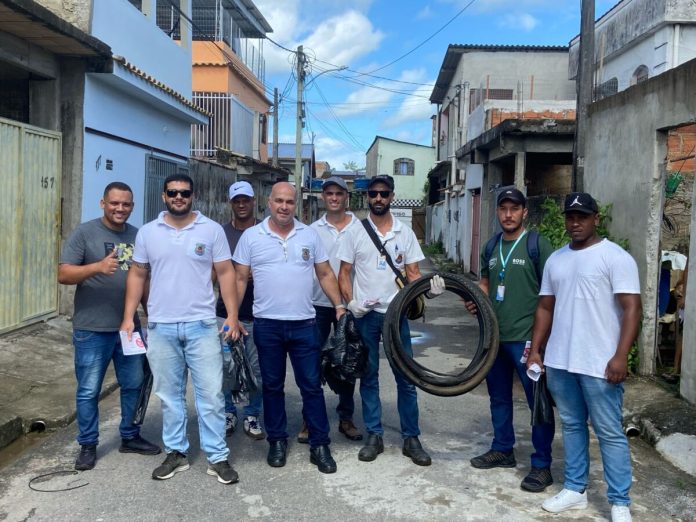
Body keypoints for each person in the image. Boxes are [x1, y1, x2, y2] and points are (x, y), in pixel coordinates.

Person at [527, 192, 641, 522]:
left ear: (595, 219)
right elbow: (545, 307)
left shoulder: (615, 257)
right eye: (570, 217)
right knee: (572, 426)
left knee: (609, 432)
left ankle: (620, 501)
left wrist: (621, 356)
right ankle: (576, 489)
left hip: (600, 363)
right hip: (561, 361)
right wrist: (536, 350)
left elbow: (632, 308)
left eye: (582, 216)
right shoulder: (556, 260)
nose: (575, 222)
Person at [121, 174, 241, 485]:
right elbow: (137, 274)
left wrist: (232, 314)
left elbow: (225, 272)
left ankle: (217, 457)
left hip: (201, 324)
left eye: (184, 193)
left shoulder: (211, 230)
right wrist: (128, 315)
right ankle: (176, 453)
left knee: (211, 394)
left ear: (192, 196)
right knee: (170, 396)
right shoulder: (148, 233)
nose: (178, 197)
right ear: (164, 196)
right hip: (161, 326)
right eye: (173, 192)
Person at [233, 182, 345, 474]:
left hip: (304, 324)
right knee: (271, 386)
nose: (284, 206)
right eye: (279, 201)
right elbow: (240, 279)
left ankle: (320, 444)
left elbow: (324, 273)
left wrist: (340, 305)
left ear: (297, 205)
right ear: (268, 202)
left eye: (290, 202)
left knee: (311, 386)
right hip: (267, 325)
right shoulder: (251, 237)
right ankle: (277, 441)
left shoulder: (309, 235)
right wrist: (231, 315)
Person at [337, 174, 444, 466]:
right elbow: (343, 272)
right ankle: (374, 435)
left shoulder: (404, 232)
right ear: (367, 197)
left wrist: (429, 293)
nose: (378, 199)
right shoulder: (355, 232)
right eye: (373, 194)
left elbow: (412, 274)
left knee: (406, 378)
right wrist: (351, 303)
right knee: (369, 377)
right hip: (366, 315)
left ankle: (411, 438)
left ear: (392, 196)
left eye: (384, 193)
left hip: (396, 316)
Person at [59, 182, 161, 471]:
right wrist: (97, 268)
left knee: (133, 384)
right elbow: (63, 273)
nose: (120, 209)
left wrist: (150, 315)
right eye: (115, 203)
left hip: (128, 330)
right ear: (103, 203)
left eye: (126, 204)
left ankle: (129, 436)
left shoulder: (137, 236)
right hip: (91, 328)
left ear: (132, 206)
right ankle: (88, 445)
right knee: (89, 389)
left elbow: (141, 279)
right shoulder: (85, 233)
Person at [468, 188, 555, 492]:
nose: (508, 214)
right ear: (497, 212)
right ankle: (503, 449)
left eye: (514, 209)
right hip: (495, 339)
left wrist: (542, 344)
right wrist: (477, 298)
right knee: (499, 398)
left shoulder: (537, 245)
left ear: (524, 212)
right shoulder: (491, 246)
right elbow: (485, 282)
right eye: (503, 208)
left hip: (527, 340)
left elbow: (551, 293)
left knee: (537, 404)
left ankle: (542, 465)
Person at [297, 176, 362, 444]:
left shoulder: (360, 228)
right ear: (323, 197)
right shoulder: (311, 230)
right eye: (329, 194)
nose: (334, 198)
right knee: (311, 364)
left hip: (349, 305)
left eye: (339, 193)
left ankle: (346, 417)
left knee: (348, 363)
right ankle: (309, 419)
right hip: (317, 305)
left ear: (346, 197)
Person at [215, 181, 264, 440]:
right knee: (227, 368)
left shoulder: (265, 231)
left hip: (259, 313)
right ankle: (228, 412)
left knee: (256, 369)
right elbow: (213, 272)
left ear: (253, 201)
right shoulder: (220, 234)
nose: (241, 204)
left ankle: (253, 414)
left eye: (246, 200)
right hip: (225, 313)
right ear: (230, 203)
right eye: (237, 200)